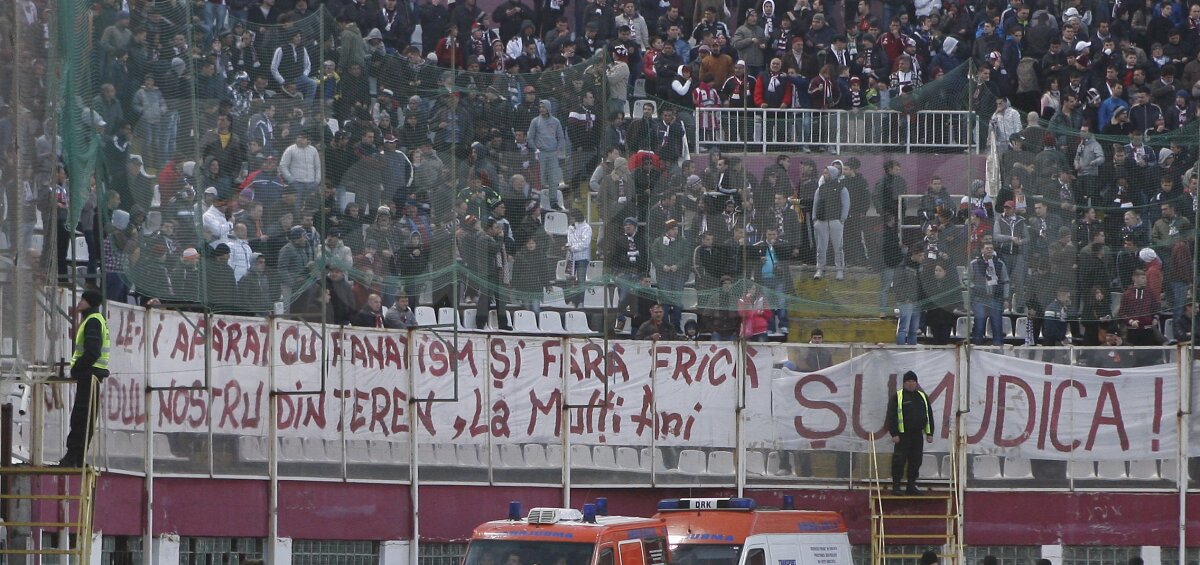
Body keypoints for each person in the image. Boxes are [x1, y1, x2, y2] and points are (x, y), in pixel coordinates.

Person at [61, 289, 111, 467]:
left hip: (88, 374)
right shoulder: (97, 320)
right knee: (86, 419)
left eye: (82, 300)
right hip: (94, 376)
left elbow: (92, 352)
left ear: (89, 302)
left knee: (80, 418)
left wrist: (76, 368)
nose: (79, 303)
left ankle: (72, 458)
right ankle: (78, 458)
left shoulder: (92, 322)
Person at [886, 370, 934, 495]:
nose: (911, 384)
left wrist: (930, 433)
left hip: (917, 435)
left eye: (913, 381)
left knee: (916, 460)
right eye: (908, 381)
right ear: (904, 383)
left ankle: (911, 485)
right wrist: (894, 433)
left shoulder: (922, 396)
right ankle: (896, 486)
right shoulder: (898, 396)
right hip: (903, 435)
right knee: (899, 460)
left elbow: (928, 415)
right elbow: (891, 416)